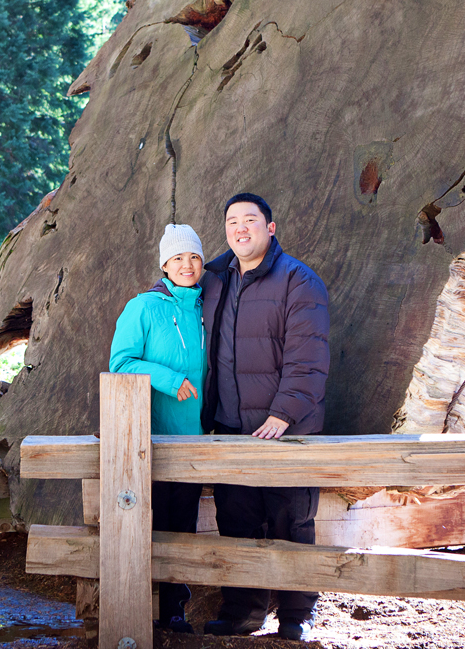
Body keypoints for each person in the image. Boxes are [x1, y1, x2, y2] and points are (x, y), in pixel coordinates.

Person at [200, 192, 330, 642]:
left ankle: (297, 615)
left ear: (269, 229)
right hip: (232, 427)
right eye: (232, 220)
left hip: (286, 430)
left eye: (250, 220)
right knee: (236, 522)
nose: (241, 227)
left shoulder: (299, 281)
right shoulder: (215, 281)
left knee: (291, 522)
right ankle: (242, 611)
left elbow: (309, 358)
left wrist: (284, 413)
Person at [107, 222, 209, 634]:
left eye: (194, 257)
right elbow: (120, 362)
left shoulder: (207, 306)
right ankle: (139, 607)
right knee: (154, 520)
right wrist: (167, 378)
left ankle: (174, 611)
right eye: (178, 258)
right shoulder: (143, 307)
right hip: (152, 436)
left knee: (184, 525)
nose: (187, 264)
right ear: (165, 264)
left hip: (197, 436)